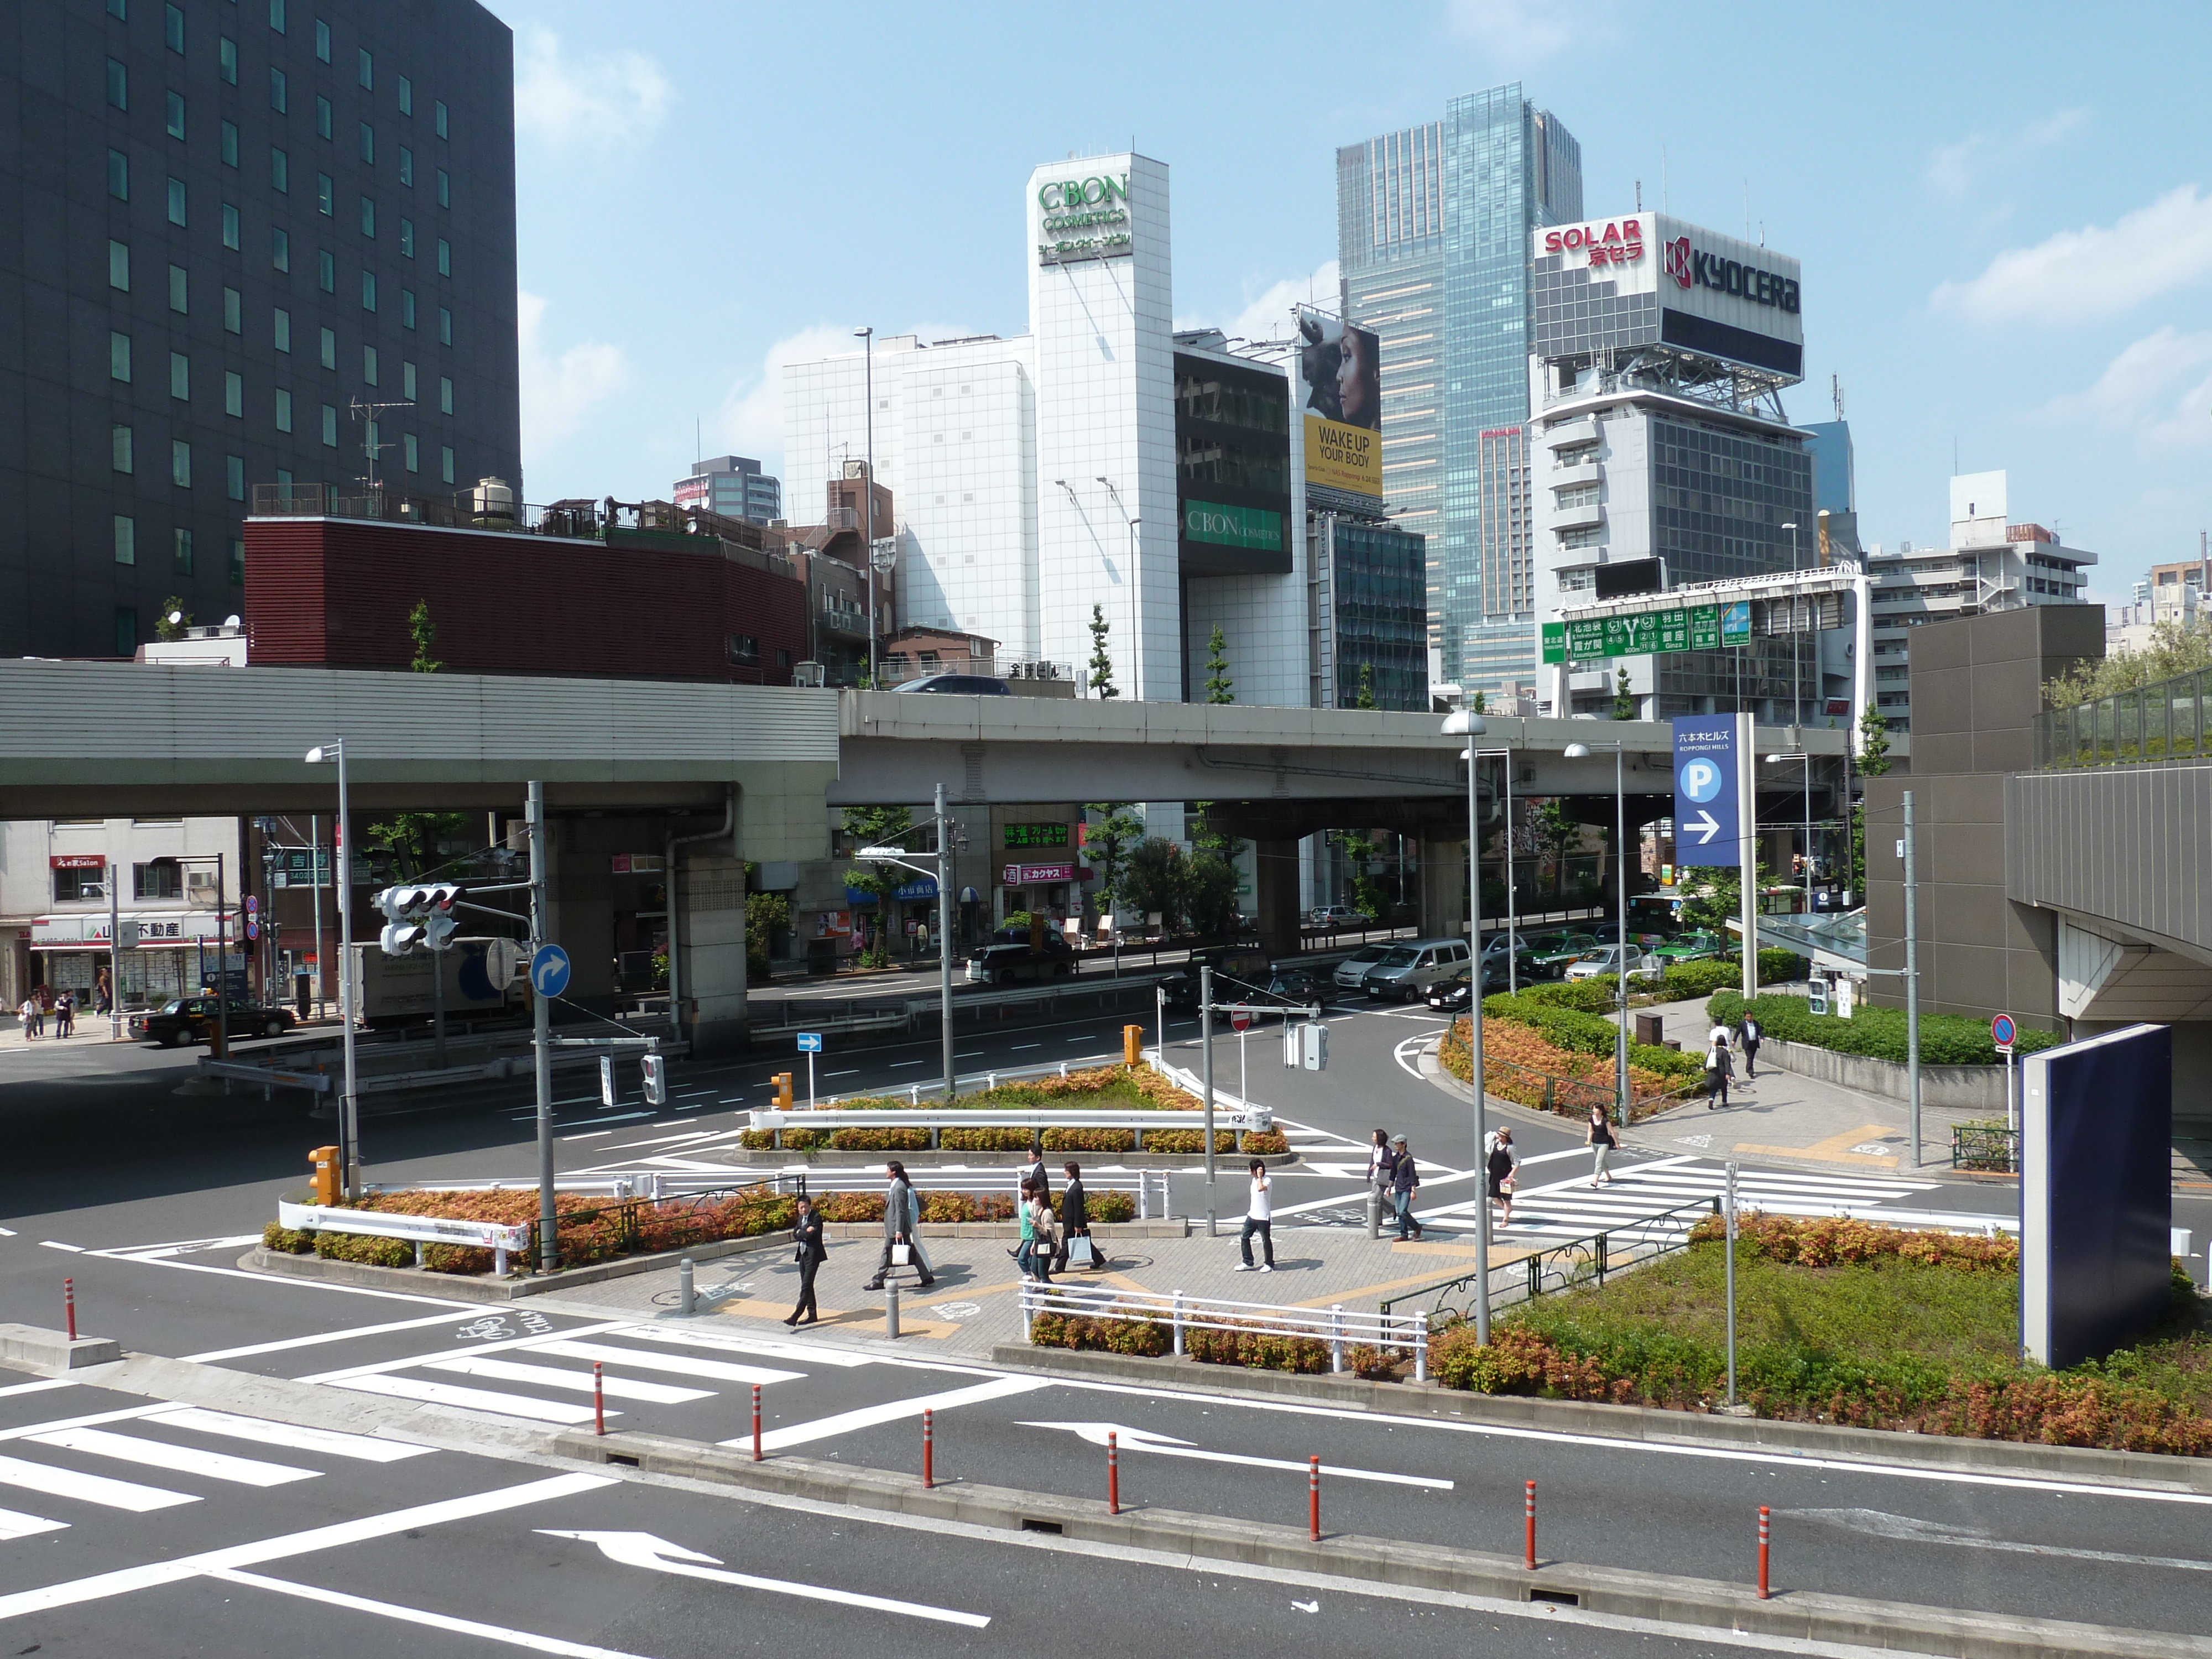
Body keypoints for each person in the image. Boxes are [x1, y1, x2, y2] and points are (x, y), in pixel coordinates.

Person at [863, 1161, 935, 1291]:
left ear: (894, 1172)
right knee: (912, 1252)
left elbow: (901, 1210)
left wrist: (898, 1231)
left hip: (897, 1228)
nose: (886, 1172)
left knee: (887, 1252)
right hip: (897, 1228)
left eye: (888, 1170)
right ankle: (926, 1277)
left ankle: (878, 1280)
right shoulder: (896, 1185)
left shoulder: (899, 1187)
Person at [784, 1195, 826, 1327]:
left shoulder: (816, 1217)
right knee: (807, 1285)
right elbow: (796, 1234)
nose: (803, 1209)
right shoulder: (801, 1218)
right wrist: (804, 1232)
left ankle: (795, 1316)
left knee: (806, 1286)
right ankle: (812, 1314)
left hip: (813, 1256)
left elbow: (812, 1235)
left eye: (805, 1207)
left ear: (809, 1206)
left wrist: (803, 1233)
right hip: (802, 1254)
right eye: (801, 1207)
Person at [1234, 1159, 1276, 1271]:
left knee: (1266, 1240)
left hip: (1263, 1217)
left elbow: (1261, 1189)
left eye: (1251, 1169)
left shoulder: (1267, 1181)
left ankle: (1269, 1264)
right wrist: (1257, 1178)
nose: (1249, 1171)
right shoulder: (1254, 1180)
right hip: (1252, 1215)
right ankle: (1248, 1261)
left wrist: (1260, 1177)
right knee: (1244, 1236)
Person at [1056, 1161, 1093, 1272]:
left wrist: (1078, 1224)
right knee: (1082, 1241)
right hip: (1069, 1221)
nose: (1064, 1173)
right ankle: (1099, 1259)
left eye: (1066, 1171)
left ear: (1072, 1172)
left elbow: (1078, 1208)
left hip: (1072, 1222)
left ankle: (1059, 1267)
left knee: (1066, 1243)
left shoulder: (1076, 1187)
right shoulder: (1072, 1185)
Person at [1021, 1181, 1058, 1285]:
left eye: (1037, 1197)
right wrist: (1034, 1244)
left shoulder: (1047, 1213)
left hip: (1046, 1245)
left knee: (1043, 1274)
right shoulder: (1040, 1210)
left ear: (1042, 1199)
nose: (1035, 1199)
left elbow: (1050, 1231)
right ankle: (1051, 1293)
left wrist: (1038, 1226)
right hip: (1039, 1243)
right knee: (1034, 1269)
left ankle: (1051, 1295)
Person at [1390, 1135, 1423, 1240]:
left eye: (1397, 1143)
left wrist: (1413, 1191)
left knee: (1402, 1212)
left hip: (1407, 1188)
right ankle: (1404, 1234)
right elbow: (1393, 1173)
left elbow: (1412, 1175)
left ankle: (1417, 1227)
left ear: (1403, 1144)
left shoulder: (1409, 1159)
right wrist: (1389, 1187)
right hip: (1398, 1187)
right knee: (1399, 1212)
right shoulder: (1395, 1158)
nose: (1395, 1145)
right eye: (1395, 1143)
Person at [1488, 1126, 1519, 1229]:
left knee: (1506, 1199)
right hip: (1494, 1175)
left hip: (1505, 1177)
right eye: (1499, 1135)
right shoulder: (1495, 1143)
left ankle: (1505, 1219)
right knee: (1494, 1196)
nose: (1499, 1137)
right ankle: (1508, 1209)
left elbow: (1517, 1162)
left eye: (1501, 1136)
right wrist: (1495, 1136)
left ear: (1506, 1138)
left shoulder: (1510, 1148)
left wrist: (1512, 1174)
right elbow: (1487, 1138)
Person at [1585, 1101, 1617, 1188]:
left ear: (1601, 1110)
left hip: (1604, 1143)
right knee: (1601, 1160)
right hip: (1594, 1143)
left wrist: (1617, 1144)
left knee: (1598, 1162)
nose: (1594, 1110)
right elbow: (1590, 1131)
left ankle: (1595, 1182)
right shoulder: (1591, 1119)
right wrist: (1589, 1140)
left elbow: (1612, 1132)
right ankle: (1608, 1175)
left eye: (1596, 1108)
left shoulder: (1605, 1121)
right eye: (1593, 1108)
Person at [1704, 1029, 1733, 1109]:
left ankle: (1711, 1099)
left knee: (1714, 1087)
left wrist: (1704, 1068)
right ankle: (1724, 1102)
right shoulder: (1724, 1052)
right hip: (1721, 1072)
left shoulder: (1713, 1049)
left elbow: (1708, 1058)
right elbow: (1727, 1063)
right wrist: (1728, 1073)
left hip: (1713, 1071)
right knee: (1724, 1088)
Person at [1366, 1129, 1394, 1197]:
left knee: (1377, 1198)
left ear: (1379, 1138)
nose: (1372, 1138)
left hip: (1382, 1177)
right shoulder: (1375, 1148)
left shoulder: (1387, 1151)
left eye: (1374, 1137)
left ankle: (1390, 1208)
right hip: (1376, 1177)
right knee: (1374, 1198)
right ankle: (1389, 1208)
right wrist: (1369, 1174)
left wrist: (1379, 1164)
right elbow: (1372, 1161)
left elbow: (1390, 1165)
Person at [1741, 1013, 1763, 1081]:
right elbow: (1738, 1032)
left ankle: (1748, 1068)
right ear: (1745, 1017)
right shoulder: (1743, 1024)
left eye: (1750, 1017)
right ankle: (1751, 1072)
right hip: (1747, 1043)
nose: (1749, 1018)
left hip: (1754, 1042)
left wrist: (1762, 1037)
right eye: (1748, 1017)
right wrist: (1734, 1041)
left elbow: (1759, 1031)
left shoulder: (1756, 1023)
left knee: (1752, 1057)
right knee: (1750, 1057)